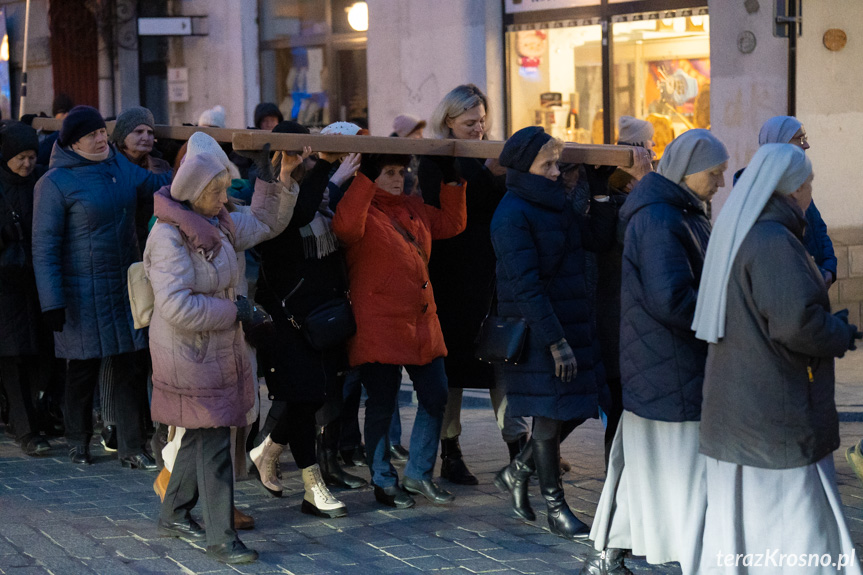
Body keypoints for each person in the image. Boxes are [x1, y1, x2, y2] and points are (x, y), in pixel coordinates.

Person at [692, 144, 862, 574]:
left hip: (748, 405)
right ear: (790, 190)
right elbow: (795, 325)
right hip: (771, 410)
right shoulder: (771, 240)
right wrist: (840, 331)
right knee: (789, 521)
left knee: (758, 517)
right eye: (807, 184)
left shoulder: (753, 230)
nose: (810, 192)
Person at [581, 129, 728, 575]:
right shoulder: (662, 219)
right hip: (670, 365)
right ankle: (690, 558)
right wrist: (724, 319)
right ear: (687, 171)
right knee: (675, 472)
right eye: (714, 173)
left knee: (647, 468)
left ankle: (611, 553)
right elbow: (672, 300)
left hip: (665, 366)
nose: (720, 182)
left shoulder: (680, 212)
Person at [145, 146, 300, 564]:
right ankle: (221, 538)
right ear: (195, 192)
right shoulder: (168, 235)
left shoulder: (219, 221)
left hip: (213, 349)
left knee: (200, 433)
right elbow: (176, 306)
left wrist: (280, 178)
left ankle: (174, 513)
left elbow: (266, 220)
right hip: (188, 353)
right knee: (214, 440)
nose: (224, 199)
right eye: (216, 192)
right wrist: (236, 310)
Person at [490, 126, 616, 540]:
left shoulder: (555, 204)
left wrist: (599, 192)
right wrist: (555, 341)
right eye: (548, 164)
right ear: (526, 167)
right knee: (548, 417)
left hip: (571, 323)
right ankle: (556, 508)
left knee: (581, 404)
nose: (556, 171)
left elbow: (595, 239)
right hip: (542, 331)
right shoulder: (511, 214)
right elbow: (526, 286)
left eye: (558, 163)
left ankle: (518, 470)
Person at [32, 106, 172, 468]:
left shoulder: (117, 166)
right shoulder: (54, 183)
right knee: (81, 370)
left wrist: (183, 164)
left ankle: (131, 446)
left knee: (127, 366)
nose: (100, 139)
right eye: (92, 135)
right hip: (80, 293)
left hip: (122, 287)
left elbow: (160, 187)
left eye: (101, 132)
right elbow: (44, 246)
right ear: (74, 142)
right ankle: (79, 443)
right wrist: (51, 302)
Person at [333, 152, 466, 509]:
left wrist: (452, 179)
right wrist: (363, 180)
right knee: (381, 403)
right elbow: (345, 229)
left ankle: (419, 474)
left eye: (400, 171)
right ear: (372, 176)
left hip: (421, 321)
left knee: (436, 394)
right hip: (378, 323)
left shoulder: (413, 205)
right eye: (388, 172)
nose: (397, 178)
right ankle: (383, 479)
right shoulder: (360, 205)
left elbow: (452, 223)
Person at [251, 121, 364, 518]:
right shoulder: (270, 195)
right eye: (296, 153)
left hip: (320, 316)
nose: (304, 160)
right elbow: (292, 218)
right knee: (302, 396)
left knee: (311, 396)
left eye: (306, 152)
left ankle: (267, 450)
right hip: (285, 317)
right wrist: (328, 177)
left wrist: (331, 182)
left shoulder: (318, 191)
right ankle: (313, 487)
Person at [418, 84, 530, 486]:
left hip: (491, 274)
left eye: (482, 120)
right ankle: (451, 451)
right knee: (454, 371)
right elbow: (447, 218)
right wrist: (485, 177)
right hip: (452, 277)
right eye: (470, 122)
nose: (479, 128)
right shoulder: (437, 160)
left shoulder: (490, 154)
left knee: (501, 361)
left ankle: (519, 450)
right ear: (449, 122)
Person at [595, 116, 654, 466]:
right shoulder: (618, 197)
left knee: (616, 402)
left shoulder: (618, 194)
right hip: (614, 312)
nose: (652, 151)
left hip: (622, 311)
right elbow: (631, 239)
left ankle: (527, 463)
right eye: (648, 144)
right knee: (614, 402)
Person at [732, 116, 837, 286]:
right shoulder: (757, 196)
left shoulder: (797, 185)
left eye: (806, 138)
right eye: (799, 139)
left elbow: (819, 231)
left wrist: (829, 270)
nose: (806, 145)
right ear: (778, 142)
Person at [0, 122, 51, 456]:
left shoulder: (42, 182)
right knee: (11, 356)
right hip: (5, 285)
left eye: (32, 156)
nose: (27, 163)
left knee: (40, 355)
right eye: (20, 157)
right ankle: (25, 429)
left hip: (37, 281)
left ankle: (34, 419)